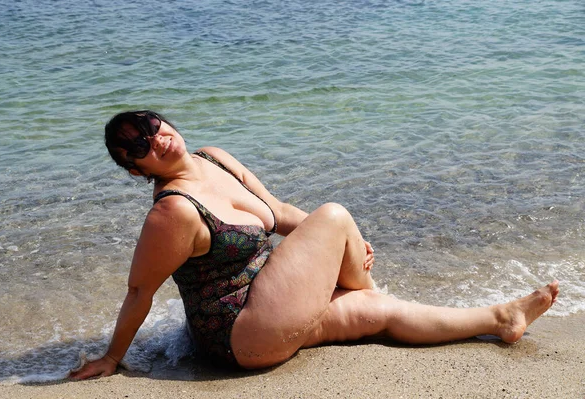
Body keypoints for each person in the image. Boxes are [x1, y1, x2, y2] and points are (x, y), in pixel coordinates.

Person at [70, 110, 559, 379]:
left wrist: (349, 244)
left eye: (151, 126)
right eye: (137, 147)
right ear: (137, 170)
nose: (154, 140)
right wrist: (113, 359)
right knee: (333, 215)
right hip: (239, 330)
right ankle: (367, 285)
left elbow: (279, 214)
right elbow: (139, 293)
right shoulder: (171, 212)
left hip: (273, 301)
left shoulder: (212, 158)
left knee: (375, 311)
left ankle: (501, 319)